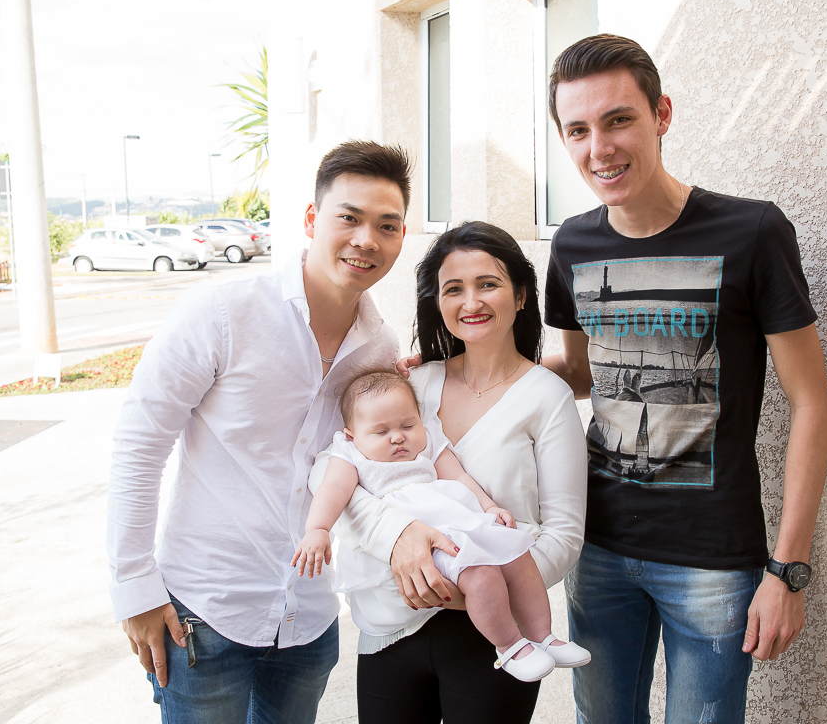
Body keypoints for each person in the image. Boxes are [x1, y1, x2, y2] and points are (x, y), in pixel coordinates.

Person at [107, 140, 460, 723]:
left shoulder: (378, 349)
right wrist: (135, 588)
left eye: (387, 225)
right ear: (311, 219)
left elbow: (370, 464)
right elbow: (139, 444)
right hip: (204, 614)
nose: (366, 239)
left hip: (309, 624)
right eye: (349, 218)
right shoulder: (223, 313)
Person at [541, 34, 827, 722]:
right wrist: (461, 373)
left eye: (618, 120)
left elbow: (812, 406)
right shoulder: (573, 244)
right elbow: (583, 375)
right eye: (578, 130)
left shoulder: (753, 232)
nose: (599, 149)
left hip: (713, 561)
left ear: (662, 114)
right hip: (598, 547)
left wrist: (787, 570)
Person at [329, 220, 588, 723]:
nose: (471, 301)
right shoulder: (409, 386)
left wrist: (472, 587)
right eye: (454, 289)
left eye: (487, 284)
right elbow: (338, 478)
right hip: (392, 626)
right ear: (438, 303)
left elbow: (564, 536)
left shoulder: (546, 397)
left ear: (520, 296)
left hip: (496, 633)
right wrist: (398, 539)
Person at [295, 368, 589, 682]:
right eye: (381, 432)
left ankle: (542, 636)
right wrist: (318, 529)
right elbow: (333, 491)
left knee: (518, 556)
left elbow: (459, 476)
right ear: (352, 434)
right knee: (482, 575)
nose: (398, 437)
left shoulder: (428, 439)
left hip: (458, 520)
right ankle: (510, 647)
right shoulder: (350, 453)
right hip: (424, 539)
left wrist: (489, 507)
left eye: (407, 424)